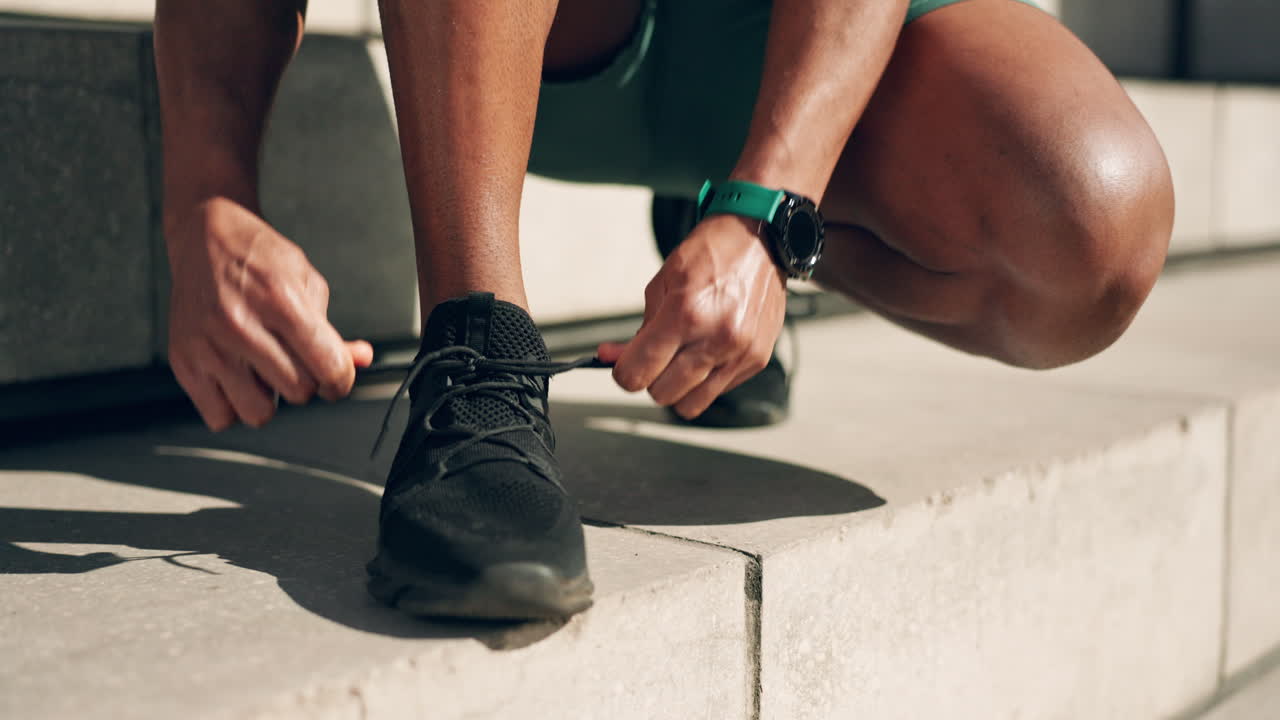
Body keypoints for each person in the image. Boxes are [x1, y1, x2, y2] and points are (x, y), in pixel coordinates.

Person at [152, 0, 1173, 620]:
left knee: (1089, 231)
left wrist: (771, 213)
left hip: (777, 43)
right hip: (526, 38)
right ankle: (479, 359)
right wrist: (207, 192)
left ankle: (725, 212)